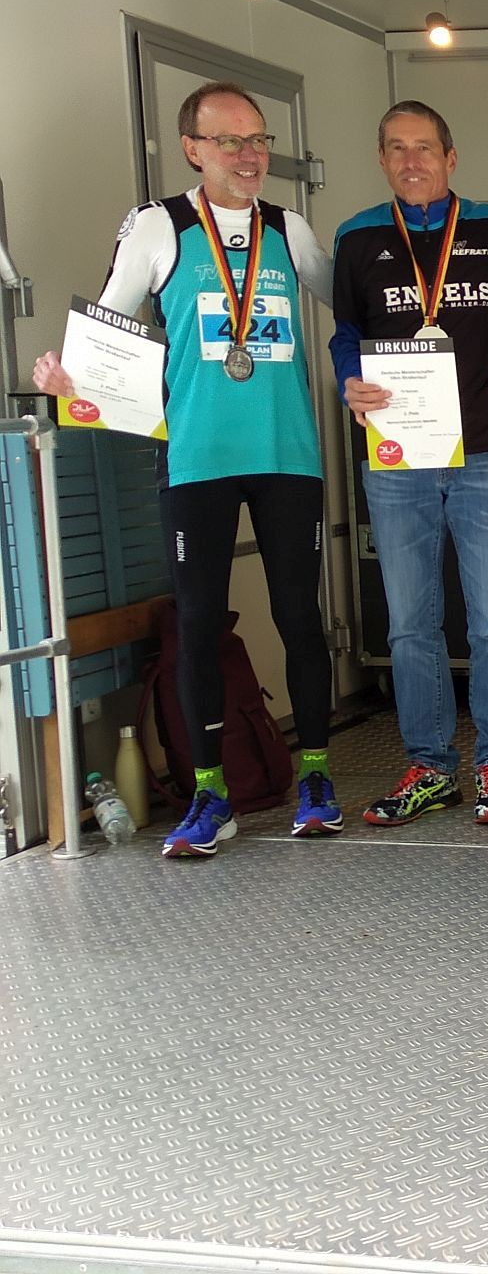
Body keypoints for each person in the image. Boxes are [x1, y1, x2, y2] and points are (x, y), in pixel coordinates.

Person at [33, 81, 340, 856]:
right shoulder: (158, 226)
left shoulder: (288, 227)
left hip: (286, 454)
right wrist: (69, 376)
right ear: (192, 149)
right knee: (198, 623)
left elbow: (354, 308)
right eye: (229, 140)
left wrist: (386, 371)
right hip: (198, 457)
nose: (249, 154)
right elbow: (110, 325)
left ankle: (315, 778)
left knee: (300, 618)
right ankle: (210, 793)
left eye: (258, 139)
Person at [330, 101, 488, 828]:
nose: (411, 161)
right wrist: (349, 378)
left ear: (451, 156)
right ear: (381, 158)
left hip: (486, 449)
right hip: (397, 452)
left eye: (424, 148)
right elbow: (346, 330)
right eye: (396, 148)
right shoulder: (357, 235)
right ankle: (431, 767)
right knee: (410, 622)